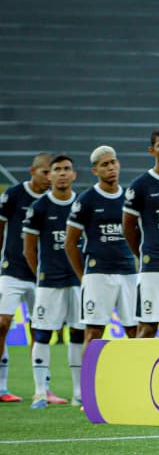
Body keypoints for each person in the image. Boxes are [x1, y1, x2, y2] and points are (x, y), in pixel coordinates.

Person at [65, 147, 139, 358]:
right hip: (98, 274)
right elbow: (70, 243)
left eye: (113, 162)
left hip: (128, 273)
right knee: (94, 333)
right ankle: (88, 390)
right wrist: (84, 277)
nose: (111, 167)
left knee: (135, 332)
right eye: (104, 164)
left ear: (119, 164)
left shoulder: (129, 197)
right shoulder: (86, 200)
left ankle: (137, 385)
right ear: (95, 170)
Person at [21, 155, 80, 408]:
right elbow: (29, 249)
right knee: (43, 334)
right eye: (57, 169)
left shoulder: (81, 203)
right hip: (49, 282)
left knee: (78, 333)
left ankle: (79, 392)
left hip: (77, 282)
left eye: (67, 169)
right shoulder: (40, 207)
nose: (63, 173)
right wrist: (41, 275)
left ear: (74, 174)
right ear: (50, 175)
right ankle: (40, 391)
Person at [0, 153, 51, 402]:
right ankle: (1, 387)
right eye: (45, 172)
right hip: (12, 270)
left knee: (40, 329)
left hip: (42, 275)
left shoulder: (54, 200)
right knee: (2, 323)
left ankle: (42, 388)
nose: (49, 178)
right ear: (33, 170)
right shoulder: (14, 195)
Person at [123, 128, 159, 338]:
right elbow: (128, 227)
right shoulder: (140, 186)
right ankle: (138, 371)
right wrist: (142, 254)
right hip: (153, 268)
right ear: (152, 151)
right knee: (147, 328)